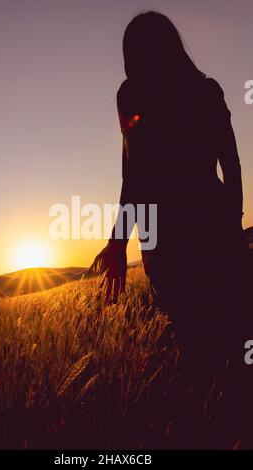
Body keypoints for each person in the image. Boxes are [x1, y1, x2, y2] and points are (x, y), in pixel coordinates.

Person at [90, 11, 251, 368]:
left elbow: (133, 177)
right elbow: (232, 165)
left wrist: (118, 244)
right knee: (238, 337)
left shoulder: (131, 95)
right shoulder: (206, 90)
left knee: (199, 349)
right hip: (212, 224)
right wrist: (233, 225)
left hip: (164, 238)